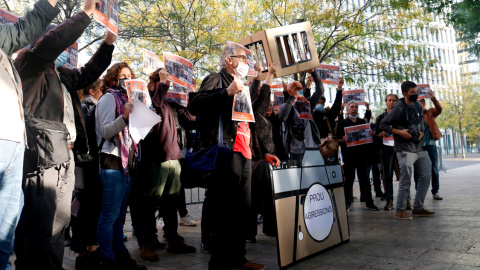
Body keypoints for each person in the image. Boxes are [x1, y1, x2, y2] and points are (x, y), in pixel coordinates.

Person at [14, 2, 113, 269]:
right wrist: (86, 15)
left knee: (59, 225)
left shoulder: (60, 75)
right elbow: (52, 43)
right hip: (43, 151)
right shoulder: (27, 63)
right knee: (40, 226)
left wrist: (109, 42)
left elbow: (88, 73)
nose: (62, 50)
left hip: (64, 152)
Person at [188, 43, 264, 270]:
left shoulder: (244, 84)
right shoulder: (216, 78)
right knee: (224, 210)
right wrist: (226, 92)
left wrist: (260, 80)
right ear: (229, 60)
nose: (247, 62)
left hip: (244, 150)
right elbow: (195, 105)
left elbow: (254, 113)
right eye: (243, 58)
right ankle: (218, 262)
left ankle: (239, 258)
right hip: (225, 152)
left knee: (243, 208)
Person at [0, 1, 60, 269]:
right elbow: (24, 31)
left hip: (14, 147)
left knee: (4, 241)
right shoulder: (16, 50)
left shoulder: (7, 61)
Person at [132, 68, 196, 262]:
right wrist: (163, 84)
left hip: (173, 158)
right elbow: (156, 104)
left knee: (171, 202)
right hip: (154, 160)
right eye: (160, 80)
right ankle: (148, 243)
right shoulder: (145, 100)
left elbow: (192, 120)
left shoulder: (170, 102)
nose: (165, 84)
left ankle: (172, 238)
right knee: (150, 204)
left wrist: (190, 96)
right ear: (152, 82)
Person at [95, 62, 146, 269]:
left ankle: (119, 255)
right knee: (109, 216)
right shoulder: (109, 98)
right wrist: (125, 117)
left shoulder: (130, 100)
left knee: (118, 217)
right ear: (113, 79)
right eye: (121, 75)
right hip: (112, 162)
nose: (125, 78)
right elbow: (106, 131)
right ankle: (107, 259)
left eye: (129, 75)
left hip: (127, 163)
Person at [380, 81, 435, 220]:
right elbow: (383, 124)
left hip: (419, 147)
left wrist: (421, 131)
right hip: (405, 149)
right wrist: (399, 132)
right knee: (405, 180)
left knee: (426, 176)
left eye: (416, 91)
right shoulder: (398, 108)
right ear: (405, 93)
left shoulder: (417, 105)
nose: (415, 94)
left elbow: (420, 121)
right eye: (412, 92)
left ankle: (418, 208)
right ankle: (400, 210)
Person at [248, 63, 281, 240]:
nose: (267, 103)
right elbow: (262, 95)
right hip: (260, 164)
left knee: (258, 198)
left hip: (260, 162)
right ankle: (263, 229)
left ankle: (253, 231)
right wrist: (268, 77)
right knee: (263, 198)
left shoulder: (259, 117)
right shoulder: (256, 114)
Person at [336, 101, 379, 211]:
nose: (354, 109)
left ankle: (369, 203)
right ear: (347, 109)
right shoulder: (341, 123)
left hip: (362, 156)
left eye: (356, 107)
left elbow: (369, 136)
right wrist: (342, 139)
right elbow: (337, 139)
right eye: (351, 107)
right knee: (349, 181)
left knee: (365, 180)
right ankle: (347, 203)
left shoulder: (363, 122)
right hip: (349, 156)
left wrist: (370, 135)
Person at [278, 69, 324, 166]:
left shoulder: (308, 103)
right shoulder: (286, 105)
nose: (300, 90)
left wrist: (313, 73)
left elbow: (320, 90)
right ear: (290, 91)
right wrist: (291, 99)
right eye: (297, 89)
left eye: (301, 88)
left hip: (311, 147)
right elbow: (282, 117)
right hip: (296, 151)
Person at [415, 90, 443, 200]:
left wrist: (433, 98)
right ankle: (419, 192)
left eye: (420, 104)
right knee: (418, 171)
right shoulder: (413, 117)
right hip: (418, 146)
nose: (418, 106)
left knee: (434, 170)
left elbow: (439, 109)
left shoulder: (430, 113)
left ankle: (435, 191)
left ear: (424, 104)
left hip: (430, 145)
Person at [376, 94, 399, 210]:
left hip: (400, 147)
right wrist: (379, 135)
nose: (391, 102)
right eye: (389, 100)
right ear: (386, 102)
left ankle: (406, 199)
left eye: (394, 100)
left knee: (403, 174)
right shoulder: (380, 118)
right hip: (386, 148)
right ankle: (389, 200)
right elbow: (375, 134)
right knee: (387, 175)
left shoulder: (401, 116)